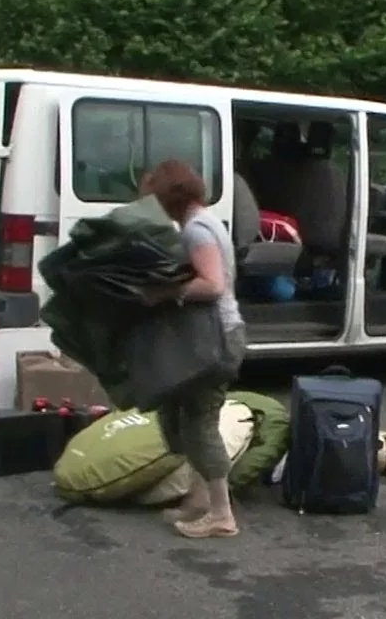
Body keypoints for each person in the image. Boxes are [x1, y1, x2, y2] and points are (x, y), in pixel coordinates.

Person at [139, 159, 247, 539]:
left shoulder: (197, 230)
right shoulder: (203, 222)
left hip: (214, 339)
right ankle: (201, 500)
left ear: (170, 197)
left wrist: (167, 293)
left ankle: (221, 514)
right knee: (187, 418)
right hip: (215, 336)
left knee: (200, 424)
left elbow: (213, 285)